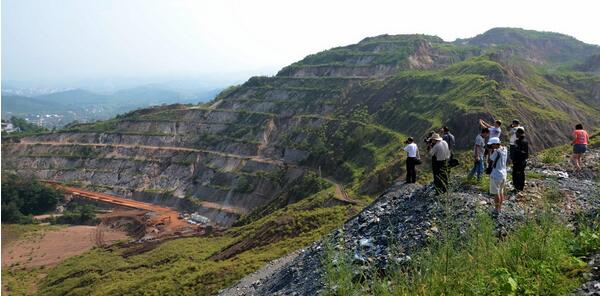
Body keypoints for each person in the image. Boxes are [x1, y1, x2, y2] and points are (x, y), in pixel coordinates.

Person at [488, 137, 507, 214]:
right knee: (501, 191)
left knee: (496, 193)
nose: (492, 146)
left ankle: (496, 209)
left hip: (496, 174)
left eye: (492, 145)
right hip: (503, 173)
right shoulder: (505, 149)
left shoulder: (496, 152)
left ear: (496, 144)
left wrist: (490, 151)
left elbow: (490, 160)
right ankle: (500, 208)